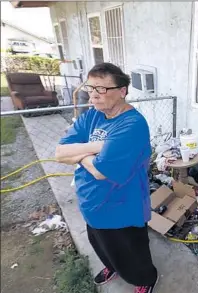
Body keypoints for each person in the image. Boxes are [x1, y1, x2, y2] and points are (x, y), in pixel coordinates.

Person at [55, 63, 158, 293]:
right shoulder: (92, 114)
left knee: (131, 250)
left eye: (101, 89)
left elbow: (101, 172)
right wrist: (96, 147)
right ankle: (112, 266)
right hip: (90, 201)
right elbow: (60, 152)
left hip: (121, 206)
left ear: (122, 91)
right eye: (91, 88)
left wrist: (79, 153)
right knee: (101, 244)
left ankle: (145, 279)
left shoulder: (132, 124)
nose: (93, 94)